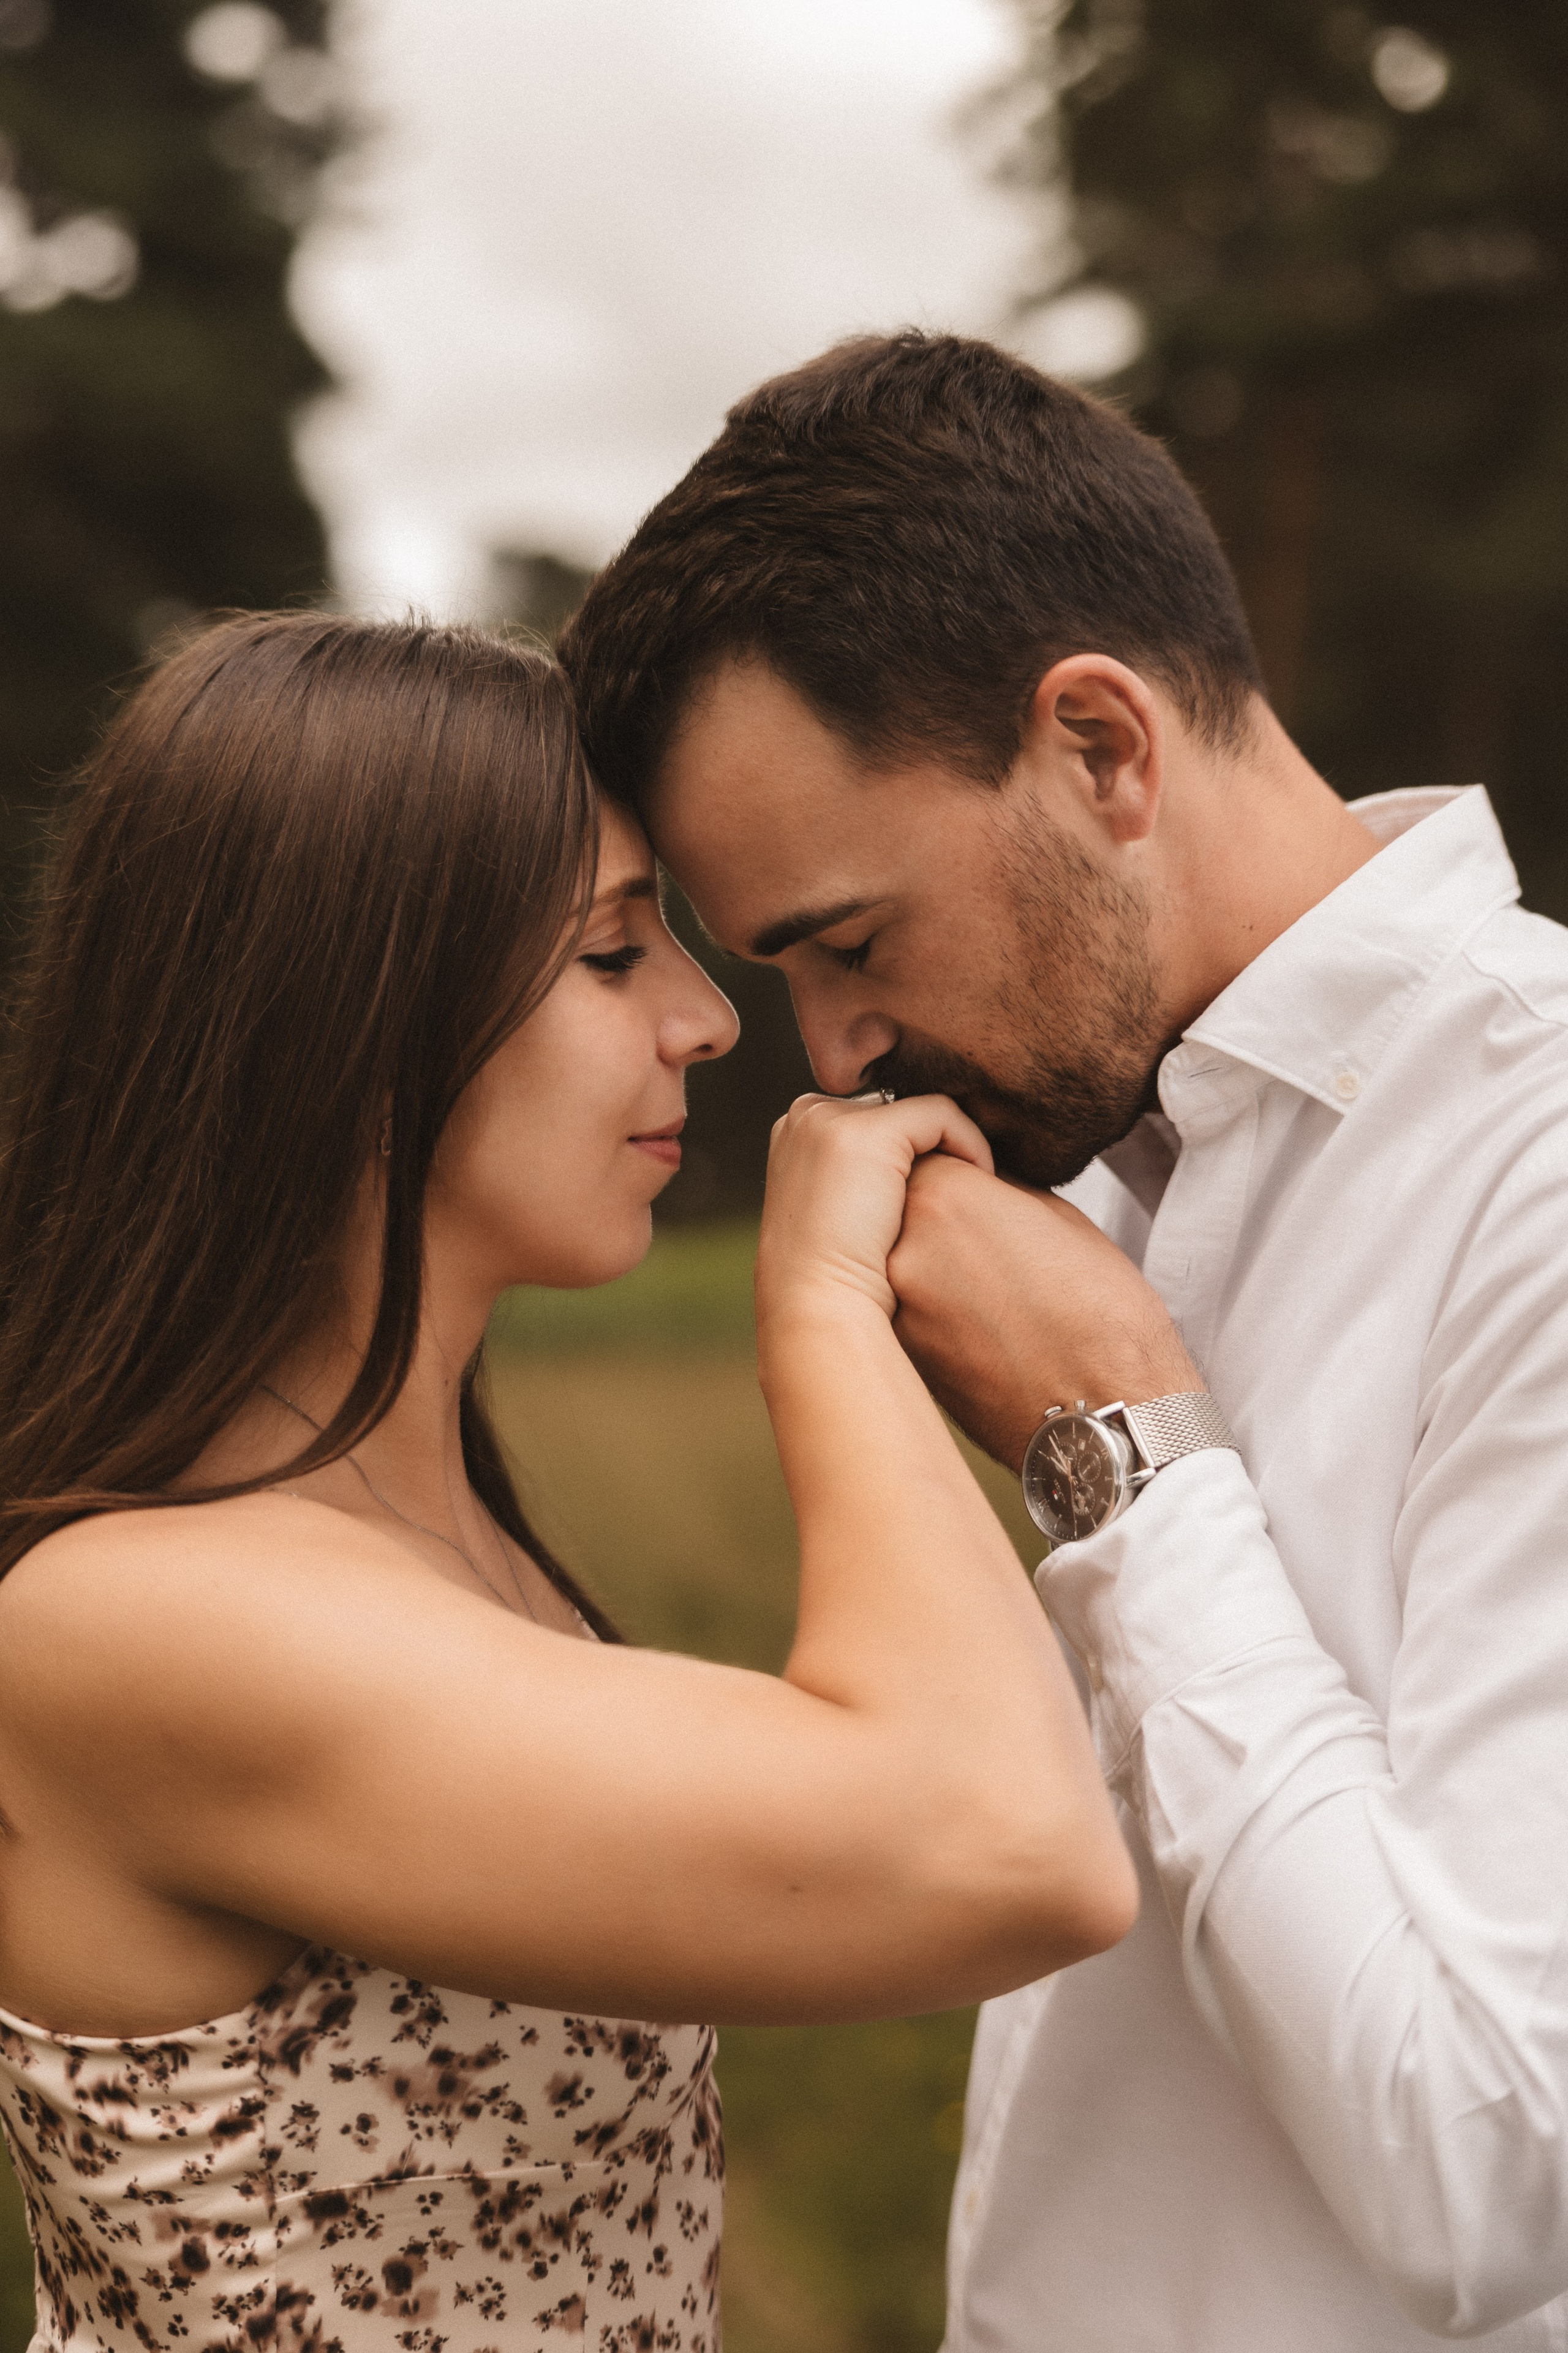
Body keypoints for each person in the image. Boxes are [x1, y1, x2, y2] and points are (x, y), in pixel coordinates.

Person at [559, 330, 1568, 2351]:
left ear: (1102, 746)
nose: (831, 1056)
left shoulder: (1533, 1166)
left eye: (849, 942)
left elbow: (1495, 2164)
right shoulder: (1081, 1163)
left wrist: (1124, 1453)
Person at [0, 611, 1136, 2353]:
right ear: (360, 1009)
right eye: (614, 955)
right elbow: (1008, 1847)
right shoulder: (135, 1616)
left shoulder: (426, 1538)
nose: (702, 1017)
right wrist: (824, 1312)